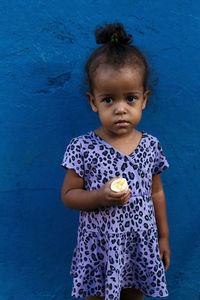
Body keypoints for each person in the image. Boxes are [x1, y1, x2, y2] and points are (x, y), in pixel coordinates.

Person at [61, 22, 170, 300]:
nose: (120, 109)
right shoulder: (82, 147)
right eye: (108, 99)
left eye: (130, 98)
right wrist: (100, 196)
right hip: (100, 247)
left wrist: (163, 237)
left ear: (144, 100)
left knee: (134, 295)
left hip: (139, 245)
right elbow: (69, 196)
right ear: (93, 102)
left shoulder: (150, 146)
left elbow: (156, 192)